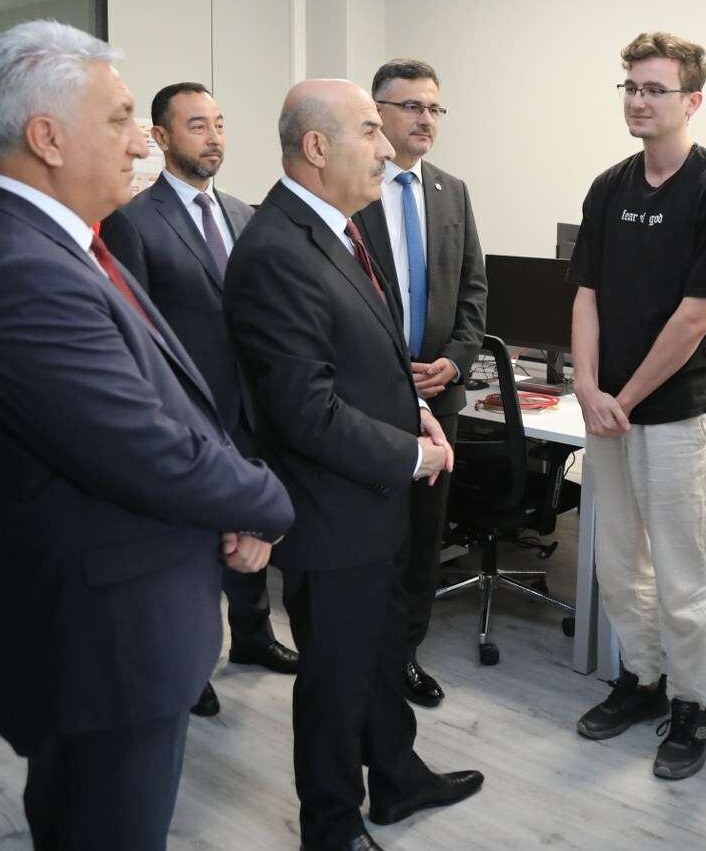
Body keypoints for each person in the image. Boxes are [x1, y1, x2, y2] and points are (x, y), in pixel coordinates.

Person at [0, 19, 294, 850]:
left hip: (116, 623)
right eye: (122, 118)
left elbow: (168, 404)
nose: (141, 141)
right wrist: (266, 498)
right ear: (47, 138)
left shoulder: (63, 246)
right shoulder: (25, 270)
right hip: (102, 639)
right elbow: (146, 448)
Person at [226, 78, 484, 851]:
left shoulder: (333, 227)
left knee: (376, 656)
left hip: (368, 500)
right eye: (370, 130)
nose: (385, 146)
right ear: (316, 147)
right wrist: (412, 451)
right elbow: (305, 409)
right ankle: (331, 827)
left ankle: (397, 778)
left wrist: (416, 411)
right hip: (331, 508)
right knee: (335, 680)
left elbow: (361, 357)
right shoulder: (279, 249)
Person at [567, 31, 706, 780]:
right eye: (631, 88)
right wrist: (587, 387)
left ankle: (692, 703)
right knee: (617, 560)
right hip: (606, 409)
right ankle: (640, 679)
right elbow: (585, 293)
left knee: (681, 571)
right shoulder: (608, 186)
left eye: (655, 89)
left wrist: (624, 397)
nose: (638, 101)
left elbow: (695, 318)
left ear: (692, 100)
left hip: (676, 411)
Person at [102, 81, 300, 720]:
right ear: (160, 137)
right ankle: (188, 664)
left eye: (218, 123)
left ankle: (253, 635)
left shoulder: (244, 214)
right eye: (196, 125)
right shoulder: (133, 221)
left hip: (250, 404)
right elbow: (136, 332)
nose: (214, 137)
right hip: (185, 412)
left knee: (248, 524)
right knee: (191, 547)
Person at [352, 58, 487, 709]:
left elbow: (474, 290)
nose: (426, 119)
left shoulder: (451, 191)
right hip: (369, 397)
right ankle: (363, 651)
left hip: (439, 394)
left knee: (423, 537)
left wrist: (456, 360)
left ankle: (405, 652)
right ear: (377, 112)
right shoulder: (352, 187)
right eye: (412, 106)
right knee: (370, 533)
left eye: (434, 107)